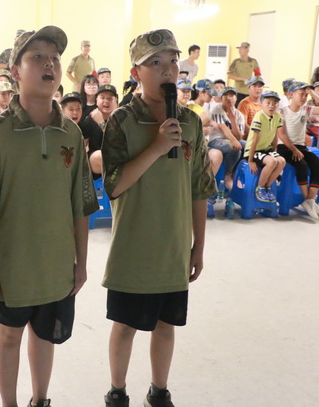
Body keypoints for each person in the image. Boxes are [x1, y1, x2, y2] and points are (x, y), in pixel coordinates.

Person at [0, 26, 98, 407]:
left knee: (45, 335)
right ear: (15, 71)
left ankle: (40, 399)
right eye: (37, 57)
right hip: (12, 263)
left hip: (57, 263)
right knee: (10, 335)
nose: (49, 64)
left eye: (54, 58)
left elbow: (80, 205)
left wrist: (81, 263)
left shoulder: (70, 133)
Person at [100, 29, 215, 407]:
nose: (167, 69)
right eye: (155, 62)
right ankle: (117, 390)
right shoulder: (121, 120)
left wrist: (198, 245)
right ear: (136, 73)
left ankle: (159, 390)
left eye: (172, 61)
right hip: (133, 246)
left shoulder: (191, 122)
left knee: (166, 325)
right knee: (125, 326)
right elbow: (114, 185)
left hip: (173, 246)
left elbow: (199, 188)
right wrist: (157, 147)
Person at [277, 81, 319, 219]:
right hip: (285, 147)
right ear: (291, 94)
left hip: (301, 147)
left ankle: (309, 200)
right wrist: (293, 149)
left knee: (318, 164)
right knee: (302, 165)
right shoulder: (282, 111)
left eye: (306, 95)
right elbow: (281, 134)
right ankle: (307, 200)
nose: (304, 97)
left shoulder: (306, 110)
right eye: (301, 94)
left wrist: (313, 94)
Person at [243, 90, 286, 203]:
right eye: (268, 103)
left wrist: (274, 151)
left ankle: (268, 186)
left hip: (267, 150)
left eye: (275, 103)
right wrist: (250, 160)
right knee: (272, 162)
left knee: (281, 161)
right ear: (261, 104)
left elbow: (275, 136)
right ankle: (260, 188)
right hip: (254, 150)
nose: (271, 106)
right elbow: (255, 139)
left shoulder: (277, 116)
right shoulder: (259, 116)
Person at [208, 86, 246, 191]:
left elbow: (239, 136)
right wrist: (234, 141)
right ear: (221, 98)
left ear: (236, 97)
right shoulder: (217, 109)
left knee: (248, 147)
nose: (229, 98)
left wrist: (233, 120)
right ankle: (228, 174)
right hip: (216, 140)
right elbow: (222, 127)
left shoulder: (239, 115)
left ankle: (236, 173)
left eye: (232, 95)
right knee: (235, 148)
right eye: (226, 96)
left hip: (230, 139)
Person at [82, 84, 118, 177]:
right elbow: (82, 146)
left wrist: (101, 123)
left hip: (118, 159)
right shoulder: (90, 119)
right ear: (96, 100)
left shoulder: (121, 118)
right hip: (96, 161)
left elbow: (117, 144)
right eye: (102, 97)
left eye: (110, 98)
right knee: (100, 155)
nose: (106, 101)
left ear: (116, 101)